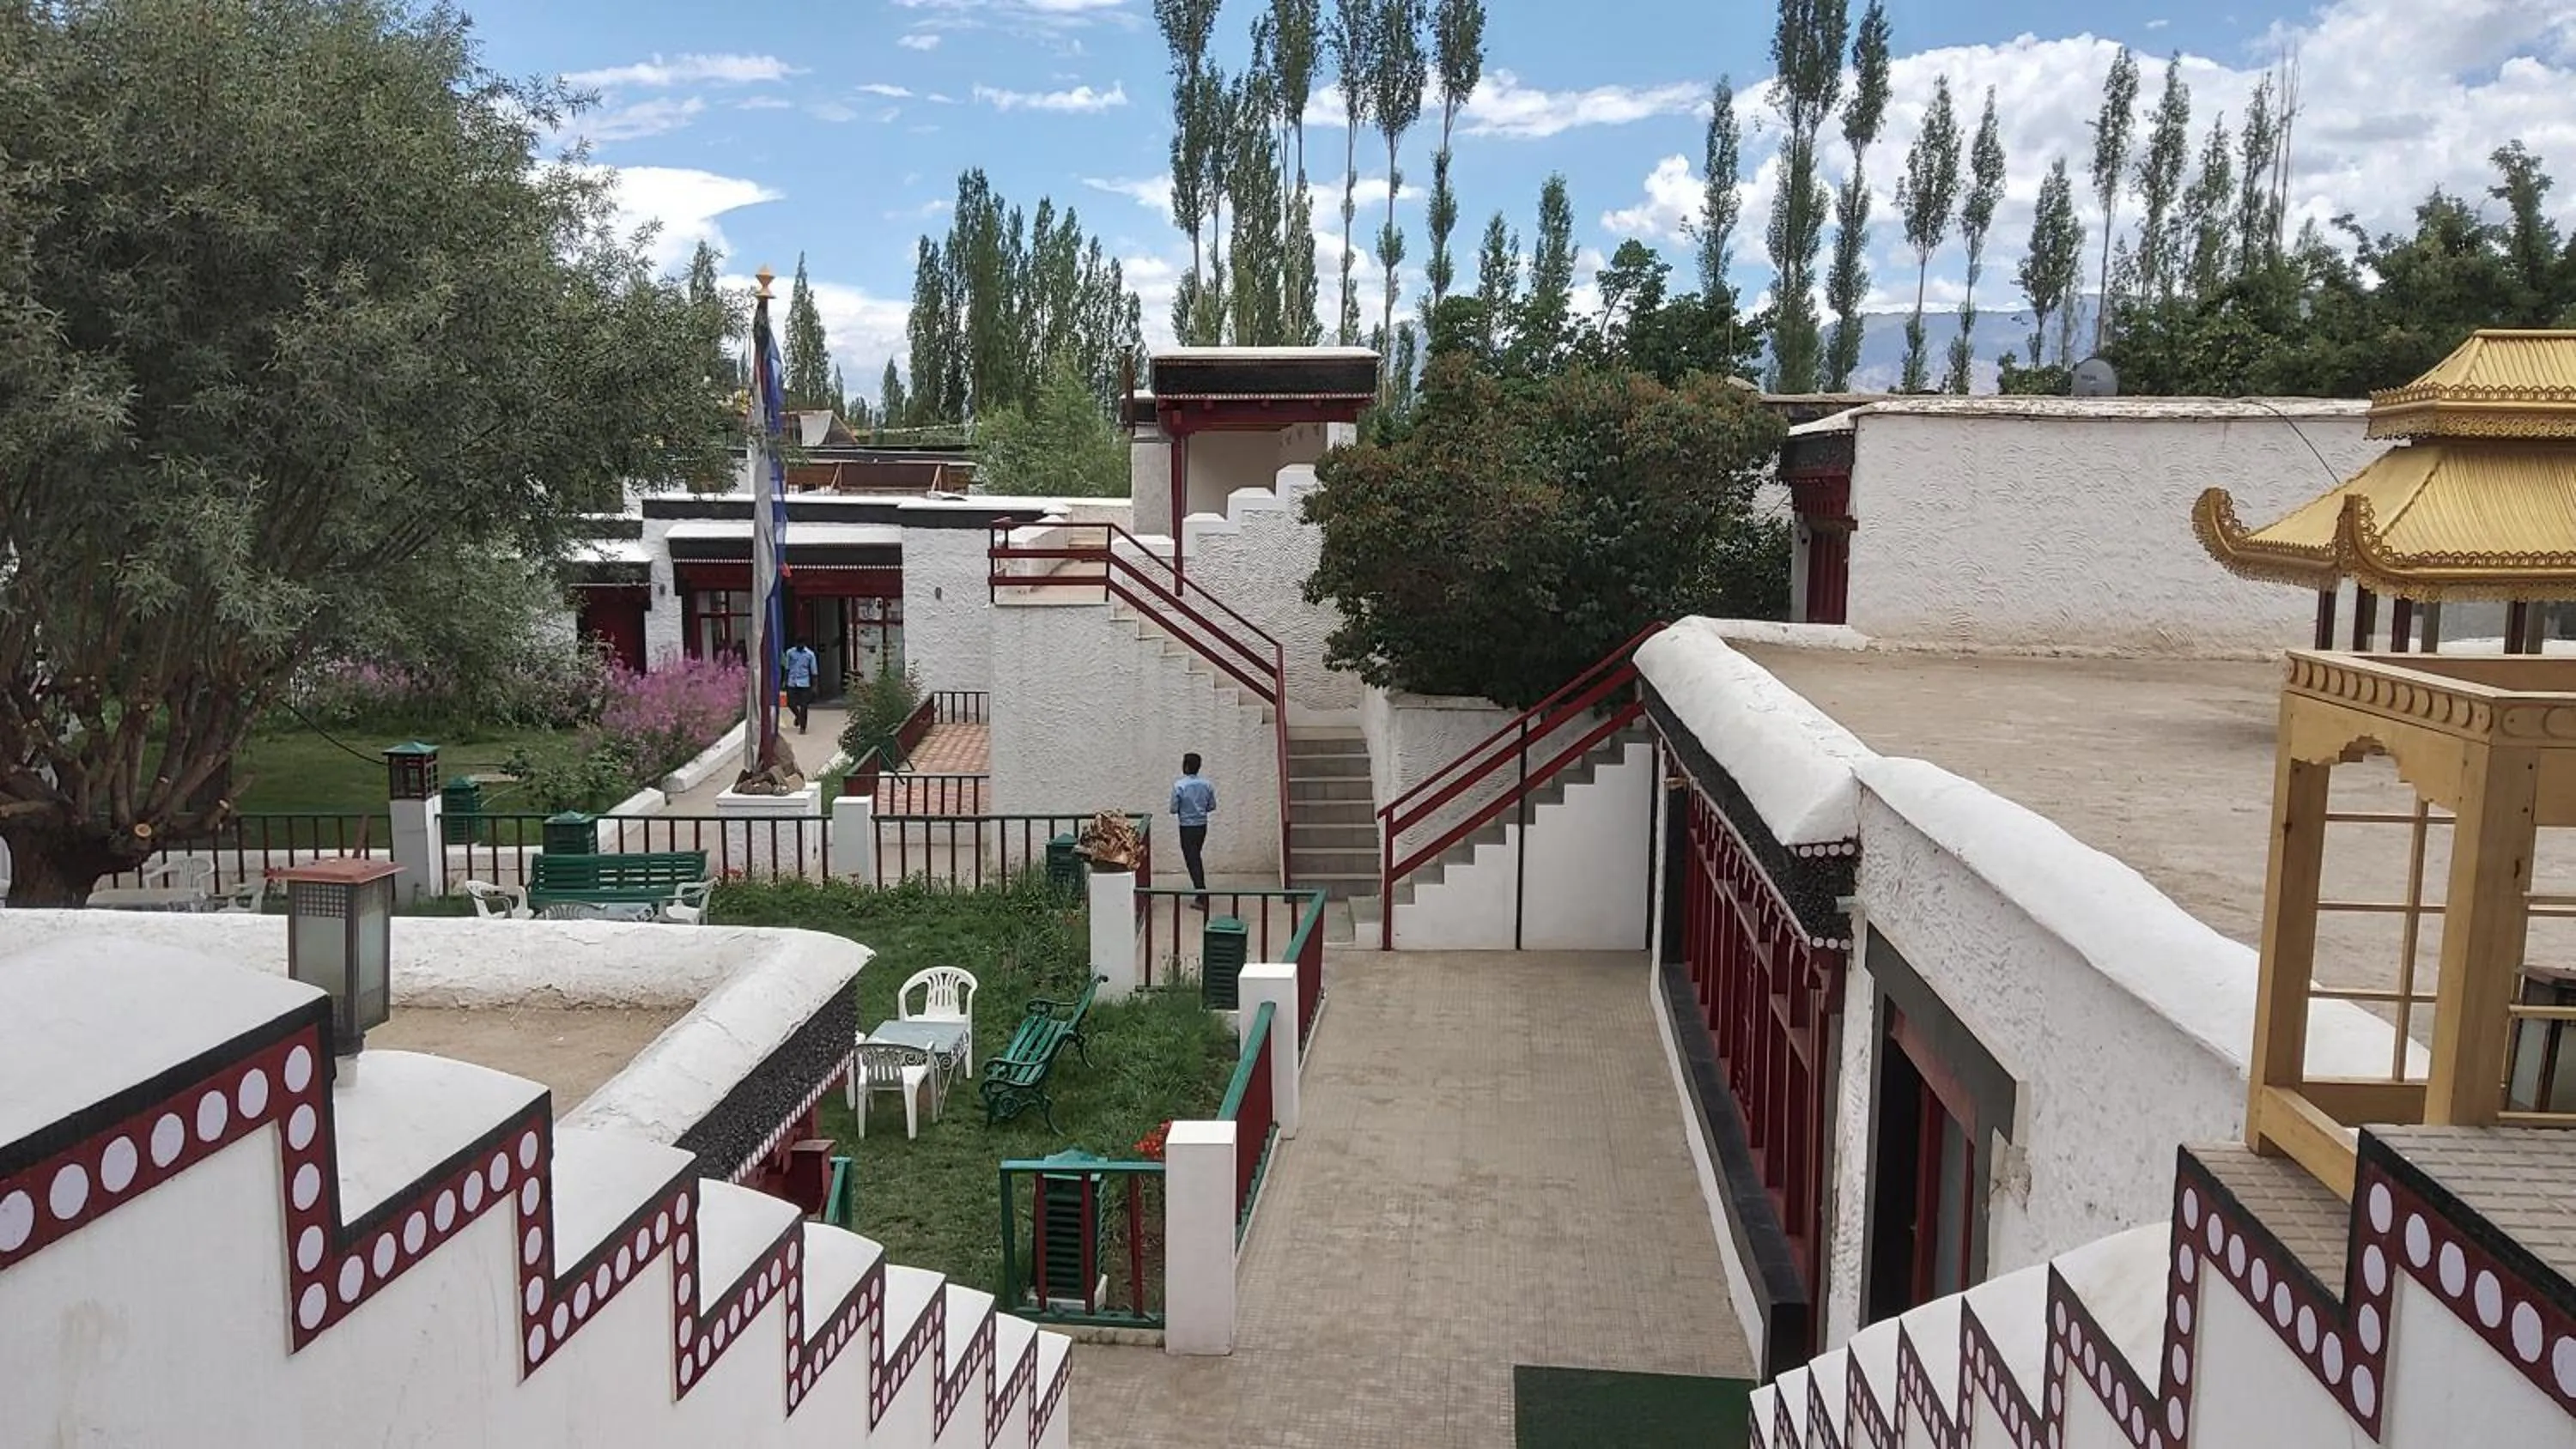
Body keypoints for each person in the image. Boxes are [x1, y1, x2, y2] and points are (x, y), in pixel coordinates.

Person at [1170, 752, 1216, 908]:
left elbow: (1173, 808)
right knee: (1196, 856)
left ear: (1186, 766)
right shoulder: (1207, 784)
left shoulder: (1179, 786)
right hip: (1202, 825)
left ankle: (1201, 894)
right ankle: (1200, 892)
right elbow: (1212, 806)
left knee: (1192, 860)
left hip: (1186, 826)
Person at [782, 638, 819, 733]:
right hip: (792, 681)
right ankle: (798, 716)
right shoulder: (790, 653)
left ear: (804, 643)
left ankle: (803, 728)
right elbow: (787, 668)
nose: (800, 645)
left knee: (804, 706)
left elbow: (814, 671)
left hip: (804, 682)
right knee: (790, 703)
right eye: (798, 644)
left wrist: (814, 686)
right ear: (795, 643)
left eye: (801, 644)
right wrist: (785, 681)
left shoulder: (810, 654)